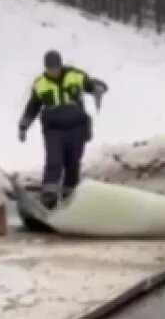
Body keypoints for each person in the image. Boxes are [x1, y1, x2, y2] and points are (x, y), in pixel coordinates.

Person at [18, 50, 108, 208]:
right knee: (54, 161)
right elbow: (33, 106)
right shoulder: (40, 83)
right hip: (53, 130)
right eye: (50, 69)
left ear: (61, 65)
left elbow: (91, 85)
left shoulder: (75, 75)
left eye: (56, 68)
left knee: (72, 163)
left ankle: (70, 197)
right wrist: (23, 126)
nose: (54, 71)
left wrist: (97, 88)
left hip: (76, 127)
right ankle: (49, 197)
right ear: (46, 68)